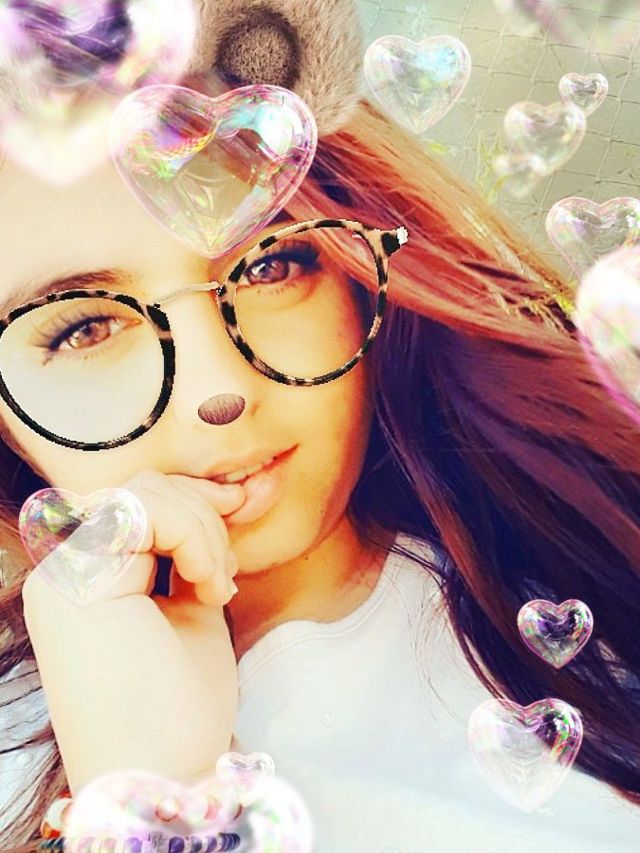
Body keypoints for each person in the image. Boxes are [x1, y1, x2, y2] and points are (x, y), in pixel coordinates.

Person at [1, 13, 640, 853]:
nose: (218, 390)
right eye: (83, 328)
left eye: (269, 265)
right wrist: (151, 791)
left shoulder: (603, 581)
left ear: (356, 273)